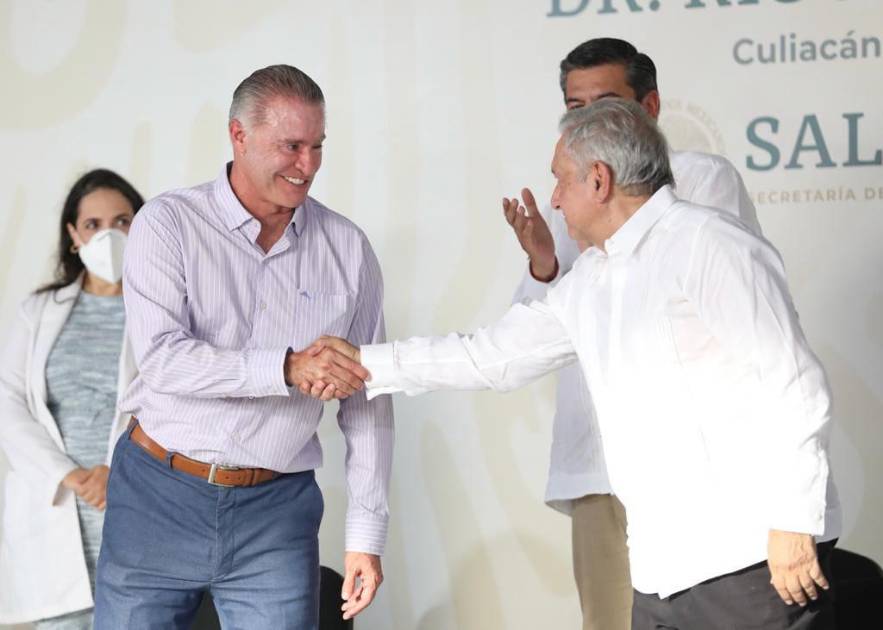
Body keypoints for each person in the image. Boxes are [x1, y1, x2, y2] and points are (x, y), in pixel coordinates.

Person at [316, 99, 841, 629]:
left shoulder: (710, 243)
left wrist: (794, 519)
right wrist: (363, 362)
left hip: (751, 557)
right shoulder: (591, 278)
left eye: (560, 179)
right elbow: (489, 356)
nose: (554, 199)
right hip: (660, 573)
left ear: (599, 180)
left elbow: (795, 383)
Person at [93, 65, 393, 630]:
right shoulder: (167, 224)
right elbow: (162, 360)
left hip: (275, 513)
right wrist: (286, 367)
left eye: (318, 146)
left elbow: (367, 400)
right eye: (291, 145)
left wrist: (365, 534)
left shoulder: (349, 249)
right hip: (156, 496)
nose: (308, 165)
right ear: (239, 135)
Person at [501, 37, 762, 630]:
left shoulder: (701, 180)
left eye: (605, 104)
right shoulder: (569, 198)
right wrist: (546, 264)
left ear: (650, 106)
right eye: (574, 108)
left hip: (693, 469)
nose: (586, 121)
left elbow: (672, 300)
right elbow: (525, 339)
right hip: (599, 469)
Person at [0, 169, 143, 629]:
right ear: (73, 236)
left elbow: (177, 404)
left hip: (135, 501)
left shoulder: (165, 311)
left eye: (122, 222)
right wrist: (73, 475)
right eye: (93, 225)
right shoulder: (39, 311)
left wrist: (114, 471)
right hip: (60, 508)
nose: (109, 236)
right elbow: (8, 401)